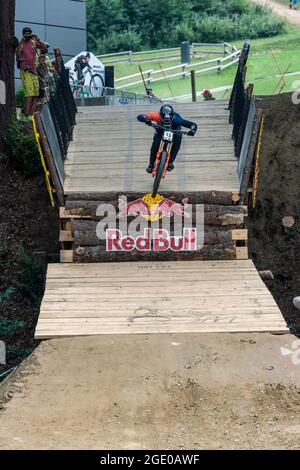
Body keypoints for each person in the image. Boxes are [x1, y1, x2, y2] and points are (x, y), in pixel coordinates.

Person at [137, 104, 197, 173]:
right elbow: (140, 116)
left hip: (174, 130)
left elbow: (192, 125)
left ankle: (171, 161)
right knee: (155, 145)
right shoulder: (156, 115)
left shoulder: (177, 119)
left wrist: (192, 130)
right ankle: (151, 165)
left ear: (172, 116)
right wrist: (146, 119)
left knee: (178, 136)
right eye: (164, 119)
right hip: (160, 129)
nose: (166, 121)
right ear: (160, 116)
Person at [16, 27, 47, 117]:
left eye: (29, 34)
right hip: (25, 71)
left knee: (36, 93)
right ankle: (26, 113)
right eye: (25, 34)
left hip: (33, 71)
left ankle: (31, 114)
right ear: (23, 34)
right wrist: (21, 42)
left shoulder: (33, 42)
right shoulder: (21, 44)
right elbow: (18, 54)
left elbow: (44, 48)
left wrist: (38, 40)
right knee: (29, 93)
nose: (27, 36)